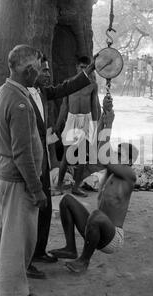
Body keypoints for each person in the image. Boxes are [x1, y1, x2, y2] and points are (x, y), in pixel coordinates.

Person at [0, 45, 95, 296]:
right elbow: (22, 153)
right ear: (29, 70)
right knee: (17, 237)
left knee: (2, 230)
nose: (42, 74)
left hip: (4, 173)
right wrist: (36, 190)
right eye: (39, 68)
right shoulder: (20, 101)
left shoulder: (4, 91)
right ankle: (14, 293)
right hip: (18, 177)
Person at [49, 99, 139, 273]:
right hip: (96, 229)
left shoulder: (130, 175)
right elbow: (99, 149)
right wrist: (104, 119)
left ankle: (84, 261)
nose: (115, 154)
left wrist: (110, 124)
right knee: (66, 200)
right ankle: (70, 248)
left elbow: (103, 156)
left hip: (112, 239)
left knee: (97, 215)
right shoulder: (112, 173)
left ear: (128, 161)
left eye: (119, 153)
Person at [55, 56, 100, 198]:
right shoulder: (69, 83)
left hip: (85, 120)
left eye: (85, 67)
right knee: (66, 156)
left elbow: (94, 106)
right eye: (80, 67)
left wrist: (95, 125)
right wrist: (58, 124)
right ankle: (58, 185)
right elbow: (64, 105)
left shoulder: (92, 85)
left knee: (82, 157)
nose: (83, 69)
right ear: (76, 67)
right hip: (71, 119)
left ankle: (76, 187)